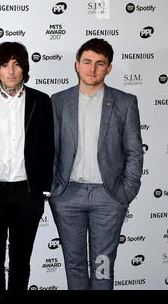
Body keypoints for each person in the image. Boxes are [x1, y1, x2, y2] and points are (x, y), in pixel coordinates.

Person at [50, 38, 143, 290]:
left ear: (109, 68)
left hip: (108, 197)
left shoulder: (125, 102)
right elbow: (51, 150)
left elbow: (134, 151)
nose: (92, 69)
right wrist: (53, 190)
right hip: (68, 196)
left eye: (100, 64)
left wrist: (126, 192)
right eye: (87, 62)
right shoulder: (58, 101)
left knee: (103, 265)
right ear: (77, 65)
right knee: (74, 264)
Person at [0, 42, 54, 291]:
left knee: (21, 262)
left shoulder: (41, 101)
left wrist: (44, 189)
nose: (11, 70)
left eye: (17, 64)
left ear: (24, 68)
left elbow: (49, 146)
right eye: (5, 64)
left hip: (27, 194)